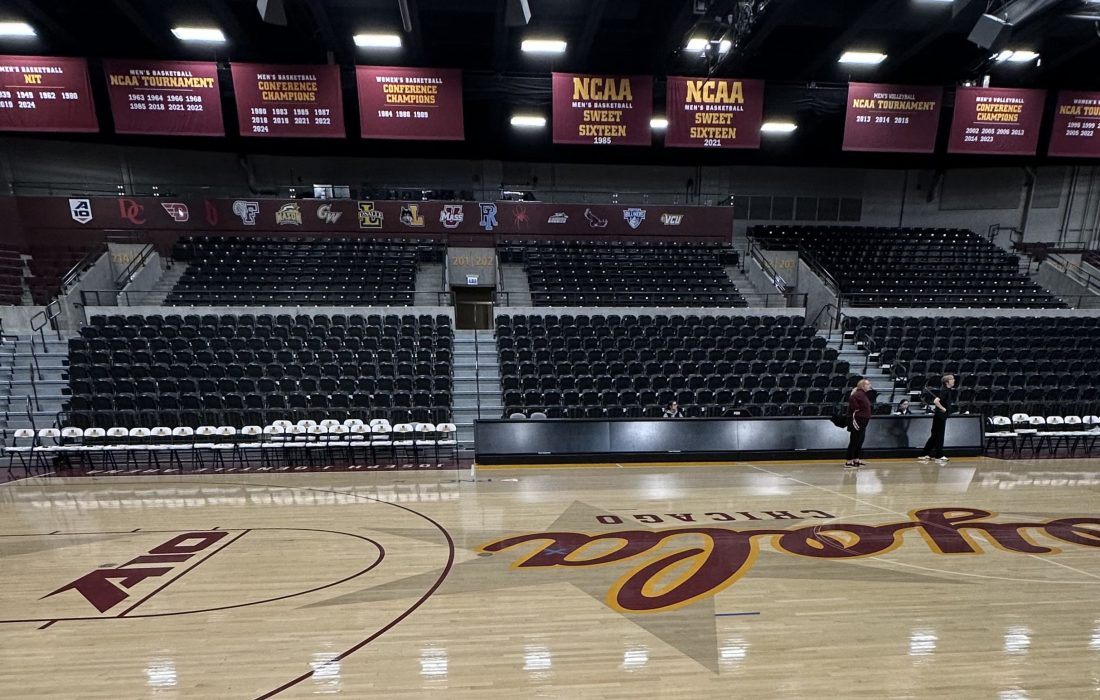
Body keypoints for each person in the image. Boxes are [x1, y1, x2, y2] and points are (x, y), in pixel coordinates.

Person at [919, 374, 957, 463]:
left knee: (934, 436)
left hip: (939, 416)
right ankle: (939, 456)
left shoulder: (947, 390)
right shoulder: (945, 391)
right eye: (952, 379)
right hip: (940, 416)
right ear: (947, 382)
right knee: (939, 436)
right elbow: (936, 401)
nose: (954, 380)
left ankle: (924, 454)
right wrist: (943, 408)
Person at [846, 378, 873, 468]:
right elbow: (852, 400)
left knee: (860, 439)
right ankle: (849, 461)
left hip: (863, 420)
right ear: (862, 386)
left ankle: (856, 459)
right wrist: (857, 410)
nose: (869, 386)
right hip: (858, 420)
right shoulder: (857, 394)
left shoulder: (863, 394)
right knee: (855, 439)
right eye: (868, 384)